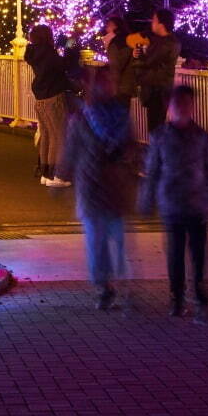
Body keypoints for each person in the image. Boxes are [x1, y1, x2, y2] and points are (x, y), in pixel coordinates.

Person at [138, 84, 208, 321]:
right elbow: (152, 170)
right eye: (178, 104)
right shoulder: (160, 137)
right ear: (170, 107)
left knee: (198, 256)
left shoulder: (201, 137)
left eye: (186, 103)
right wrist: (146, 200)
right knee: (176, 255)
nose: (182, 108)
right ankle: (177, 298)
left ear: (192, 107)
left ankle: (200, 299)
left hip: (197, 203)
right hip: (172, 204)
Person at [60, 70, 135, 309]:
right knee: (98, 240)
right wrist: (64, 171)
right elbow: (71, 149)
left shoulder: (119, 114)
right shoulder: (83, 118)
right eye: (106, 82)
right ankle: (105, 286)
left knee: (116, 239)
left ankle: (118, 283)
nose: (110, 86)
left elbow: (129, 146)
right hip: (94, 185)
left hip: (111, 186)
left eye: (111, 81)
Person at [25, 24, 73, 187]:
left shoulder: (33, 53)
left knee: (46, 134)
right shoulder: (49, 53)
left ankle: (45, 172)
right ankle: (57, 174)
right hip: (53, 97)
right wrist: (71, 44)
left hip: (41, 99)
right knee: (58, 135)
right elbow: (64, 65)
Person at [135, 8, 181, 134]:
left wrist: (139, 57)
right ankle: (157, 151)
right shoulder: (162, 41)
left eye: (154, 20)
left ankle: (158, 152)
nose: (152, 23)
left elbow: (149, 61)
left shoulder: (168, 44)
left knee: (156, 127)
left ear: (161, 24)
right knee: (154, 126)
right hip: (155, 89)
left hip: (158, 90)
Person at [101, 15, 137, 103]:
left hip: (119, 88)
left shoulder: (115, 44)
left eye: (108, 26)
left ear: (115, 26)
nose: (106, 29)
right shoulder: (130, 40)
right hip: (129, 85)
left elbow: (115, 68)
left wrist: (113, 90)